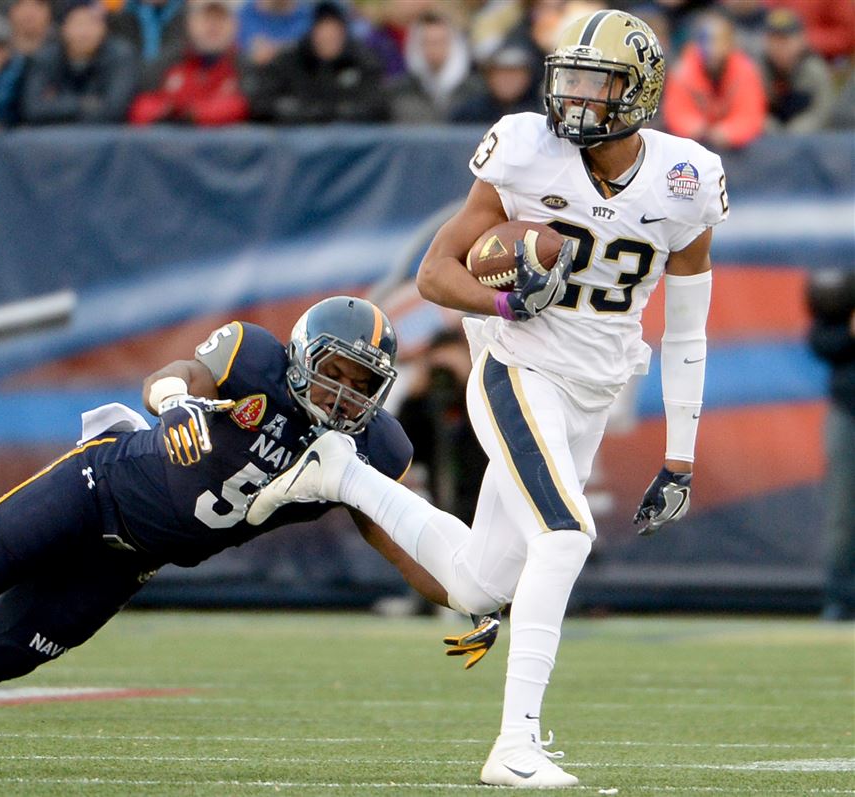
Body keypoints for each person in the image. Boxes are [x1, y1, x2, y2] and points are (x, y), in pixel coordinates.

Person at [250, 8, 727, 788]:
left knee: (479, 584)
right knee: (567, 535)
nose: (571, 96)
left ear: (638, 92)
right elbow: (436, 274)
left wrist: (680, 455)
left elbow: (687, 331)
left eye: (592, 82)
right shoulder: (526, 151)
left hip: (595, 388)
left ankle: (338, 472)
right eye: (565, 77)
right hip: (516, 367)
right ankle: (514, 744)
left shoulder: (688, 179)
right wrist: (506, 303)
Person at [0, 296, 449, 771]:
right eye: (335, 374)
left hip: (133, 557)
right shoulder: (252, 358)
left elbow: (395, 531)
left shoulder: (373, 448)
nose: (345, 395)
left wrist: (468, 594)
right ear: (300, 357)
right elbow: (178, 370)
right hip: (93, 489)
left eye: (363, 382)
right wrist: (177, 405)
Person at [246, 0, 387, 124]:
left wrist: (338, 112)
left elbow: (377, 104)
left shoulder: (362, 61)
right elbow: (263, 105)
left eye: (334, 32)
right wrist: (307, 113)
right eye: (323, 31)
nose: (328, 36)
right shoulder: (291, 61)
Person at [806, 269, 855, 622]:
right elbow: (823, 344)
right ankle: (840, 599)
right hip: (849, 414)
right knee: (843, 514)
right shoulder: (846, 291)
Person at [127, 0, 249, 126]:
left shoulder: (244, 65)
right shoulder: (168, 60)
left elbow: (248, 105)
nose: (213, 27)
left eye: (220, 19)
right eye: (206, 19)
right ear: (190, 23)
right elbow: (141, 108)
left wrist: (192, 114)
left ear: (234, 25)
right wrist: (169, 112)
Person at [661, 8, 766, 150]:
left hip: (736, 147)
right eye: (707, 40)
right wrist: (697, 128)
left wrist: (729, 132)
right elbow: (676, 113)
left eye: (719, 40)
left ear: (731, 42)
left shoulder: (746, 71)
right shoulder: (682, 72)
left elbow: (751, 115)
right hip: (695, 144)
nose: (713, 48)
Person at [20, 0, 138, 125]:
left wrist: (57, 103)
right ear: (63, 27)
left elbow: (114, 110)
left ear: (104, 27)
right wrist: (85, 103)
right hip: (52, 138)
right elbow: (32, 109)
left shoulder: (121, 56)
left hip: (105, 137)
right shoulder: (46, 57)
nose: (84, 32)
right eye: (78, 24)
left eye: (92, 23)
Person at [759, 7, 833, 134]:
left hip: (807, 141)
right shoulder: (757, 69)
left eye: (785, 39)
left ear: (801, 40)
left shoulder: (814, 70)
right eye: (774, 39)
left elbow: (823, 112)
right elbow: (751, 109)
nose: (779, 46)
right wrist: (773, 129)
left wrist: (792, 134)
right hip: (768, 140)